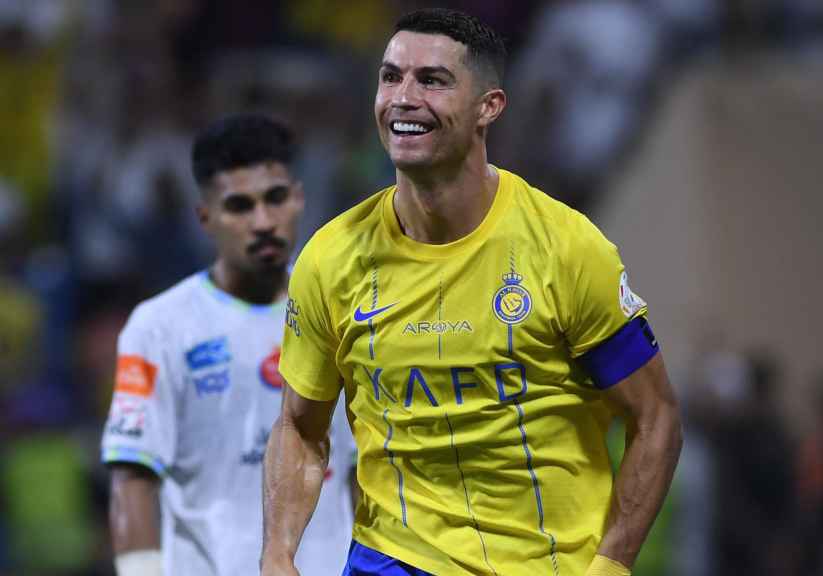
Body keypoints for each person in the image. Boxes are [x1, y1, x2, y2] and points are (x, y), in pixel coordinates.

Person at [261, 9, 681, 576]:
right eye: (390, 77)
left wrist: (609, 567)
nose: (403, 98)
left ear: (489, 107)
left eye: (431, 80)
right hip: (392, 560)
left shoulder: (566, 249)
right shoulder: (331, 259)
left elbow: (655, 420)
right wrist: (277, 554)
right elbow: (299, 427)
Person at [101, 114, 357, 576]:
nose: (263, 221)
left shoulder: (345, 309)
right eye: (240, 206)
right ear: (206, 217)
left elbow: (364, 469)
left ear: (299, 198)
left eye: (275, 198)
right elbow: (133, 476)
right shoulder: (159, 327)